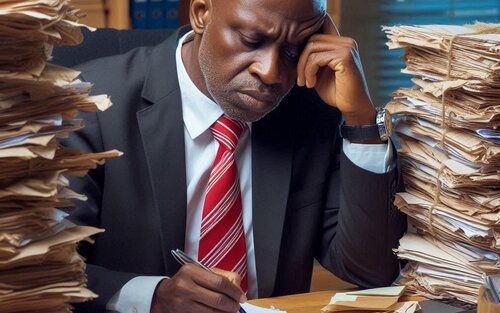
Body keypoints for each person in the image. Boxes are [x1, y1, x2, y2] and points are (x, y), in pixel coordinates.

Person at [64, 0, 406, 312]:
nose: (271, 72)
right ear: (202, 13)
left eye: (292, 51)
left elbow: (372, 268)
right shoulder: (90, 104)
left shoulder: (312, 111)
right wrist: (152, 297)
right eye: (252, 40)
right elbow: (37, 272)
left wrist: (361, 121)